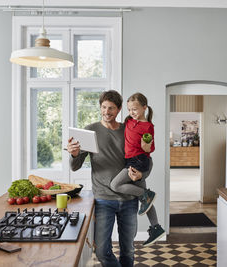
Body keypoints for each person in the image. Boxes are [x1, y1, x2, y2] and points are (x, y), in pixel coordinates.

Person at [67, 90, 151, 267]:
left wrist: (142, 174)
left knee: (128, 250)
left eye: (111, 108)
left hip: (128, 199)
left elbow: (146, 160)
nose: (106, 111)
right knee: (102, 250)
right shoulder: (90, 131)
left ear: (119, 109)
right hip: (103, 199)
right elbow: (75, 166)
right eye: (104, 107)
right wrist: (74, 154)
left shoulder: (128, 129)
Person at [110, 93, 165, 247]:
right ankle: (156, 227)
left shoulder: (147, 126)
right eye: (129, 109)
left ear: (144, 108)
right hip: (131, 160)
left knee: (115, 185)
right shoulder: (129, 121)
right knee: (146, 202)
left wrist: (146, 145)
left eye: (135, 109)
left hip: (139, 160)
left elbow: (150, 148)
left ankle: (145, 194)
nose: (131, 112)